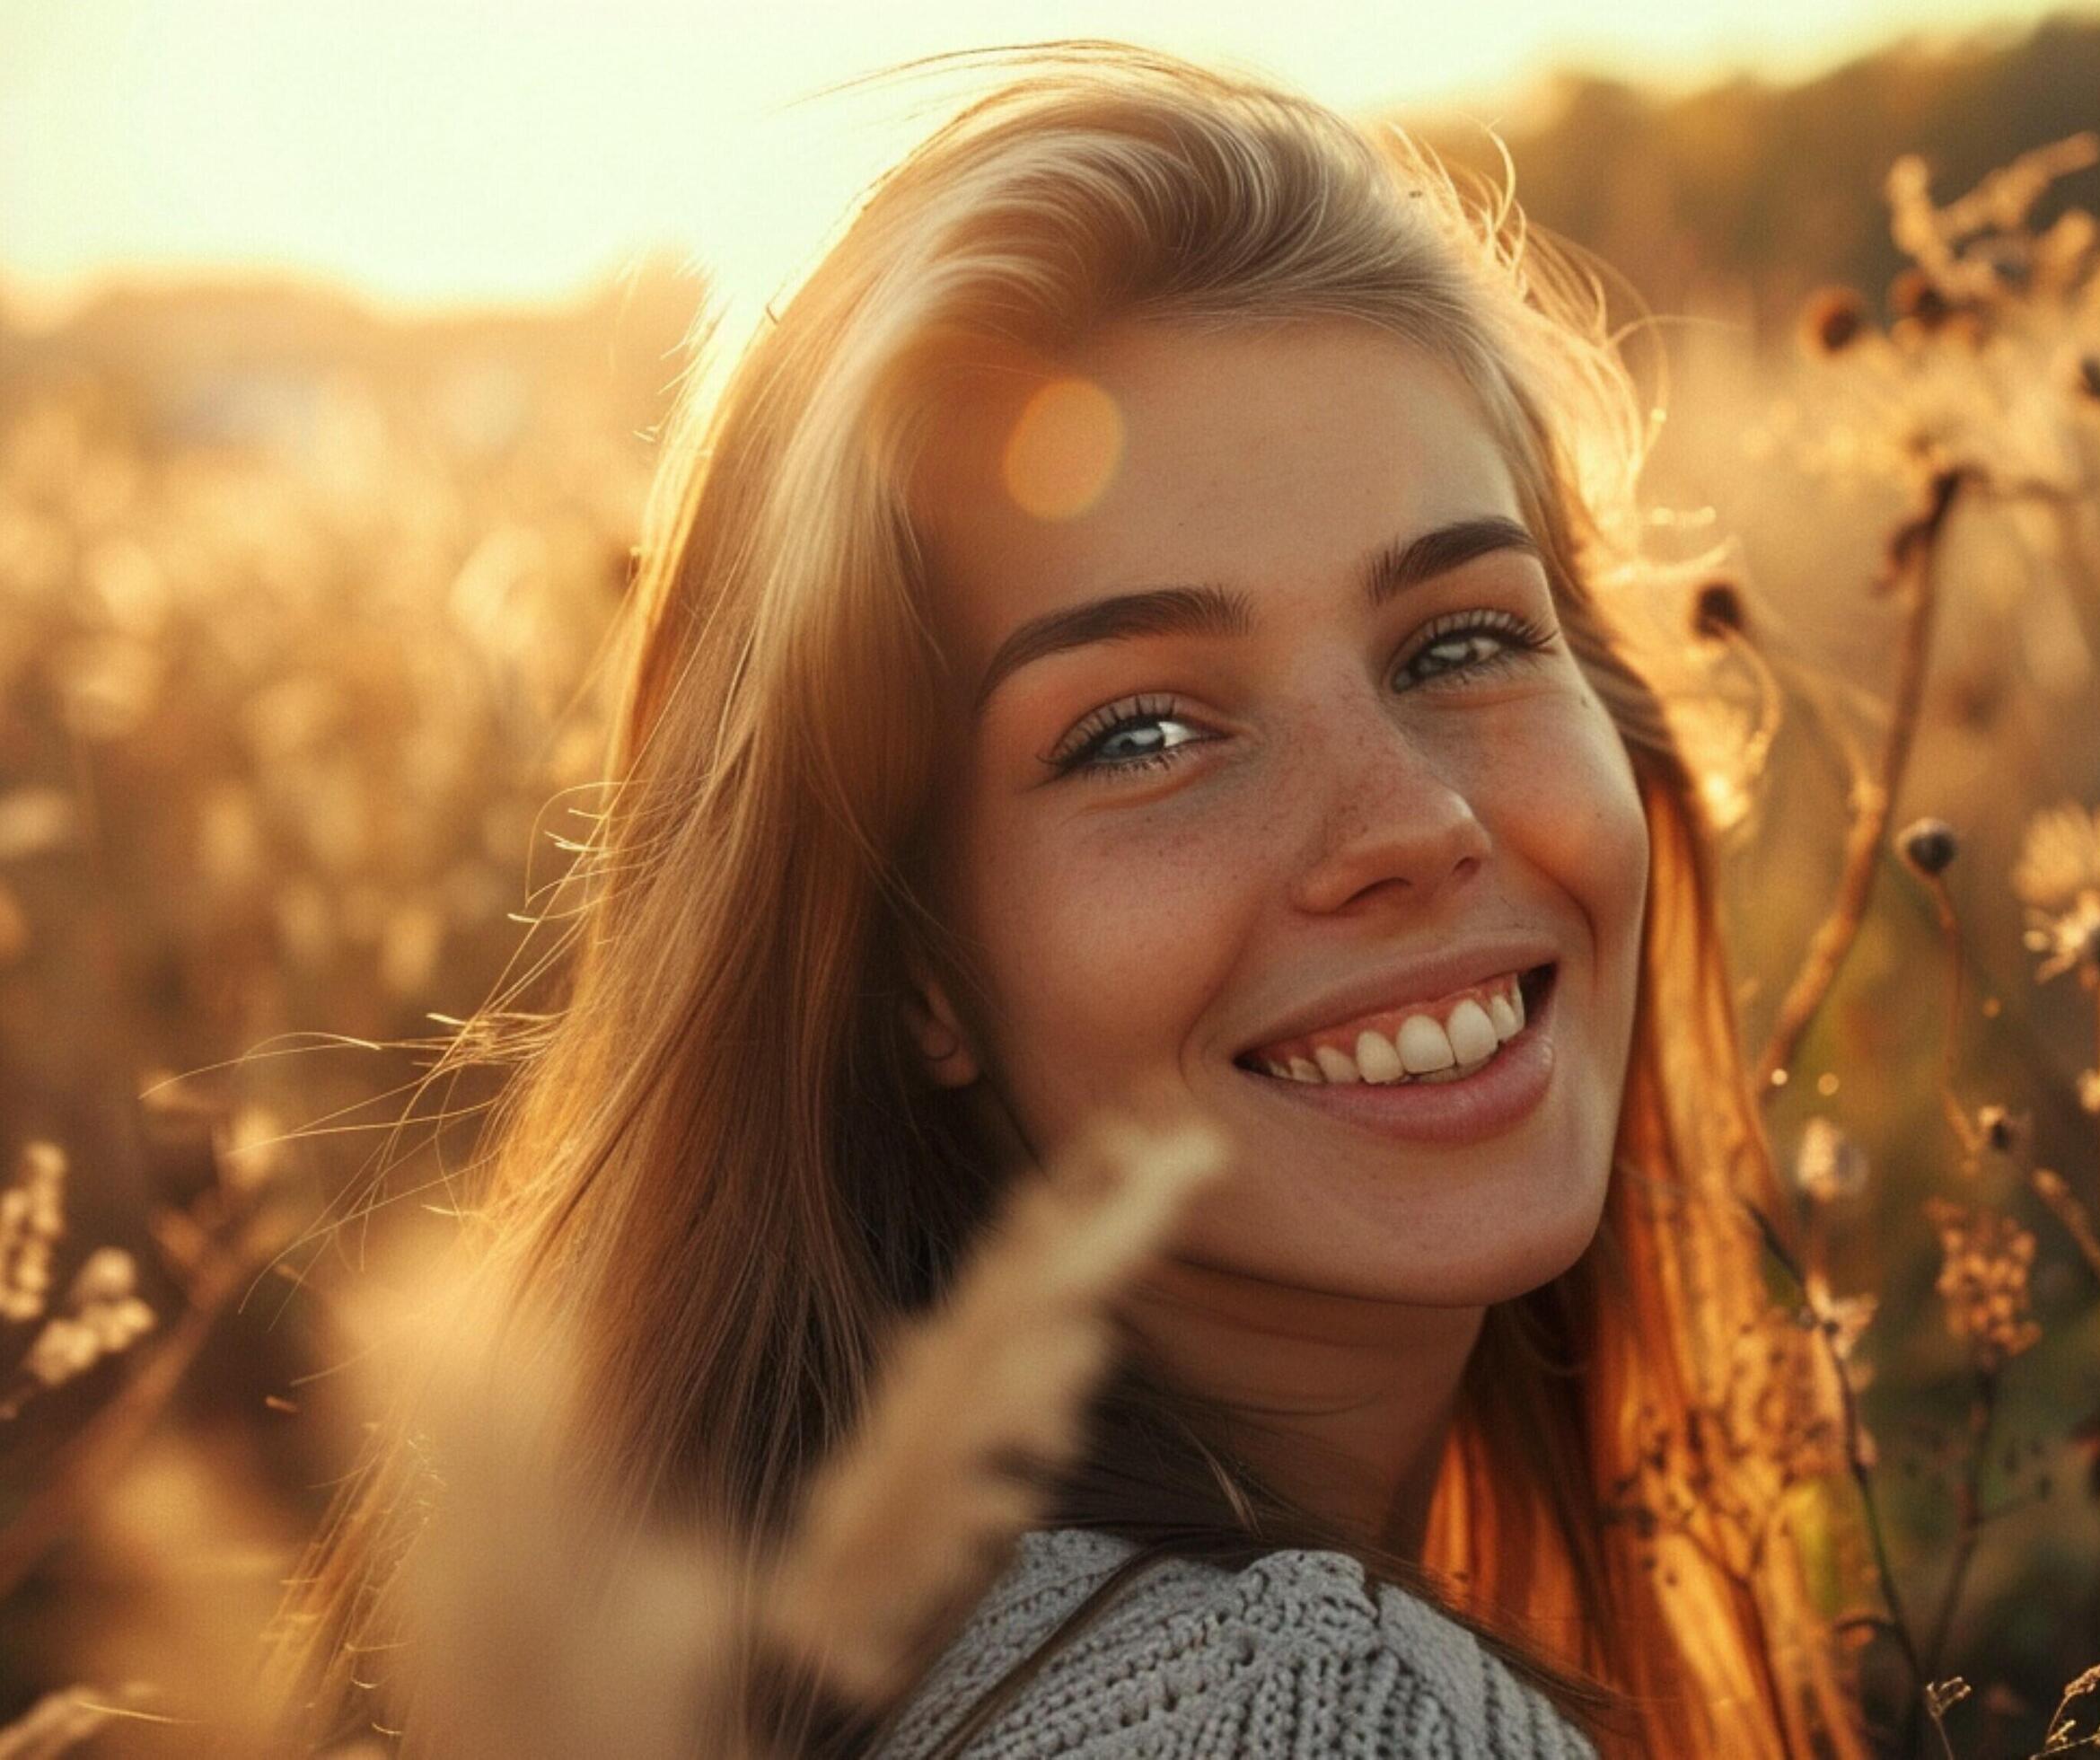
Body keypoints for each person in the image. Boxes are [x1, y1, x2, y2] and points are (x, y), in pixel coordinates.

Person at [269, 40, 1871, 1760]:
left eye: (1462, 639)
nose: (1412, 823)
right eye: (1143, 732)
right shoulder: (1323, 1716)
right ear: (907, 972)